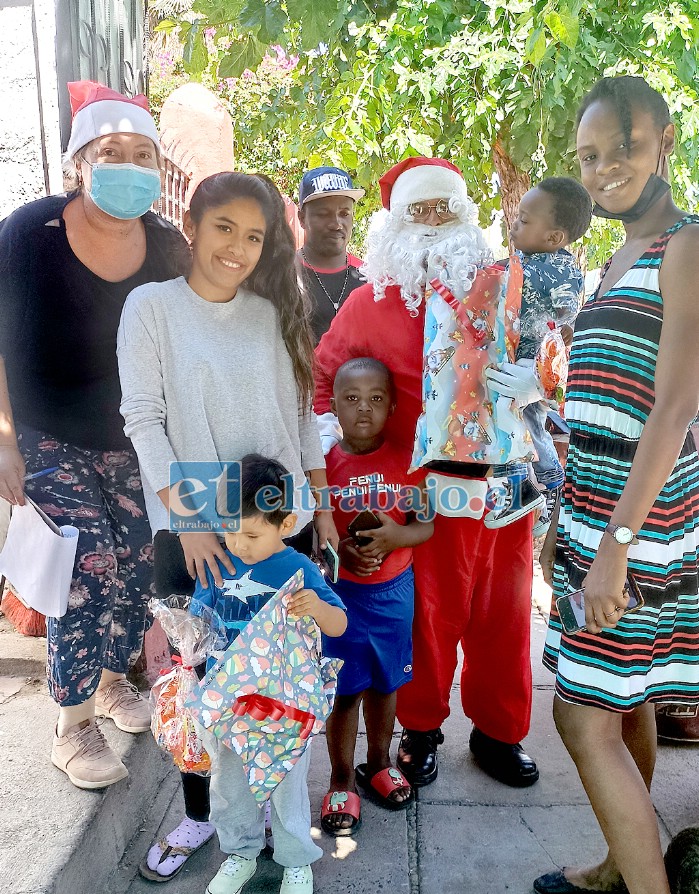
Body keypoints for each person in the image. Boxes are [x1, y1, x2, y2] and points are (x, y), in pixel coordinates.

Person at [117, 171, 338, 882]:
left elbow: (302, 418)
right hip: (194, 541)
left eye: (254, 235)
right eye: (224, 229)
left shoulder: (274, 310)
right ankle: (202, 816)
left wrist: (320, 508)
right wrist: (186, 522)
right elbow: (143, 418)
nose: (238, 249)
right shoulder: (150, 307)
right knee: (200, 688)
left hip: (281, 533)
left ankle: (278, 825)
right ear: (191, 224)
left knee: (277, 687)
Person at [315, 156, 540, 791]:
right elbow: (323, 381)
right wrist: (342, 459)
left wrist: (541, 382)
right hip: (421, 489)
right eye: (420, 213)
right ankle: (420, 729)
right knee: (430, 617)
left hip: (503, 479)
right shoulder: (367, 303)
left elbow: (561, 350)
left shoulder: (509, 284)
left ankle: (500, 731)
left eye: (445, 210)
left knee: (504, 611)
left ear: (466, 217)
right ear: (395, 227)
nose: (434, 225)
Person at [534, 76, 699, 894]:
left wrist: (614, 552)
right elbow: (600, 402)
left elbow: (672, 410)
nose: (602, 170)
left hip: (638, 518)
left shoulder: (688, 245)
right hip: (595, 505)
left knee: (579, 716)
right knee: (622, 701)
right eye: (588, 156)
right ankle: (616, 866)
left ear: (663, 141)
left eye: (622, 149)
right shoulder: (621, 251)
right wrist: (566, 524)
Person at [0, 80, 190, 789]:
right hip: (47, 429)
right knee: (87, 563)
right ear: (82, 161)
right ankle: (72, 723)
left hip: (134, 436)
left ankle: (114, 682)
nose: (130, 165)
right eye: (113, 151)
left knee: (138, 560)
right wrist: (4, 436)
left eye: (144, 154)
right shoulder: (30, 232)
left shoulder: (168, 245)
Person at [191, 455, 346, 894]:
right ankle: (240, 853)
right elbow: (199, 622)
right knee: (229, 784)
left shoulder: (296, 568)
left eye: (252, 534)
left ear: (287, 523)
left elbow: (341, 624)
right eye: (229, 531)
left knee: (286, 784)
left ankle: (296, 858)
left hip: (283, 705)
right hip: (228, 701)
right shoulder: (218, 563)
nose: (238, 545)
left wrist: (316, 607)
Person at [320, 357, 434, 837]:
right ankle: (341, 779)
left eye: (375, 399)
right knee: (345, 692)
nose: (363, 409)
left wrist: (393, 539)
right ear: (334, 406)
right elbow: (314, 531)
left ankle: (378, 762)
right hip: (343, 596)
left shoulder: (410, 460)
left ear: (391, 406)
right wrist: (339, 550)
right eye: (351, 399)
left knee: (386, 686)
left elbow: (426, 526)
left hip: (394, 595)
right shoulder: (323, 466)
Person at [487, 177, 591, 533]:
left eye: (525, 220)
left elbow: (498, 282)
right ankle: (548, 488)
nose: (515, 224)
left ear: (553, 237)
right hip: (540, 368)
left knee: (508, 424)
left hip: (526, 366)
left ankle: (528, 488)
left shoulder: (534, 270)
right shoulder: (565, 267)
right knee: (531, 427)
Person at [296, 166, 365, 343]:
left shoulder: (370, 278)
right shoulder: (281, 275)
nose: (336, 224)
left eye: (344, 213)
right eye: (323, 214)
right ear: (302, 218)